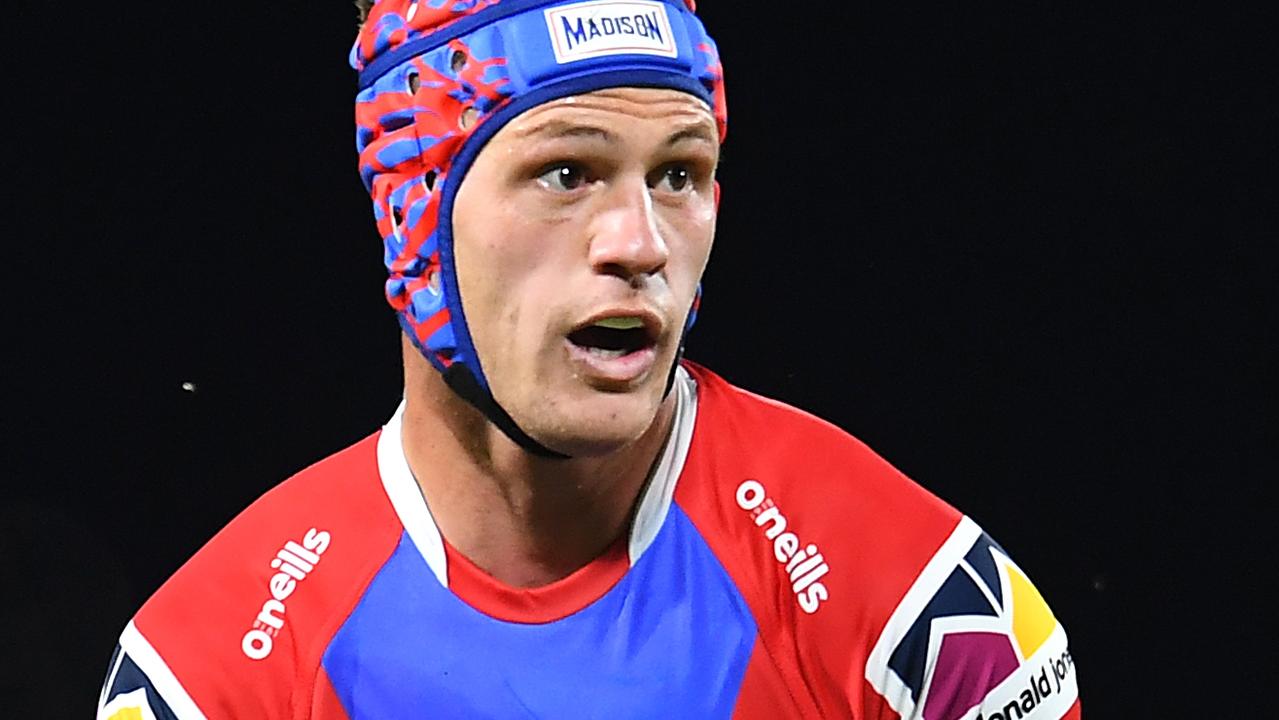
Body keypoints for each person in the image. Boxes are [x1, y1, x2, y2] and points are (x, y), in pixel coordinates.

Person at [98, 1, 1081, 718]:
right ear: (412, 220)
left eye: (679, 174)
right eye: (566, 173)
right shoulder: (205, 676)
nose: (641, 242)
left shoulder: (928, 620)